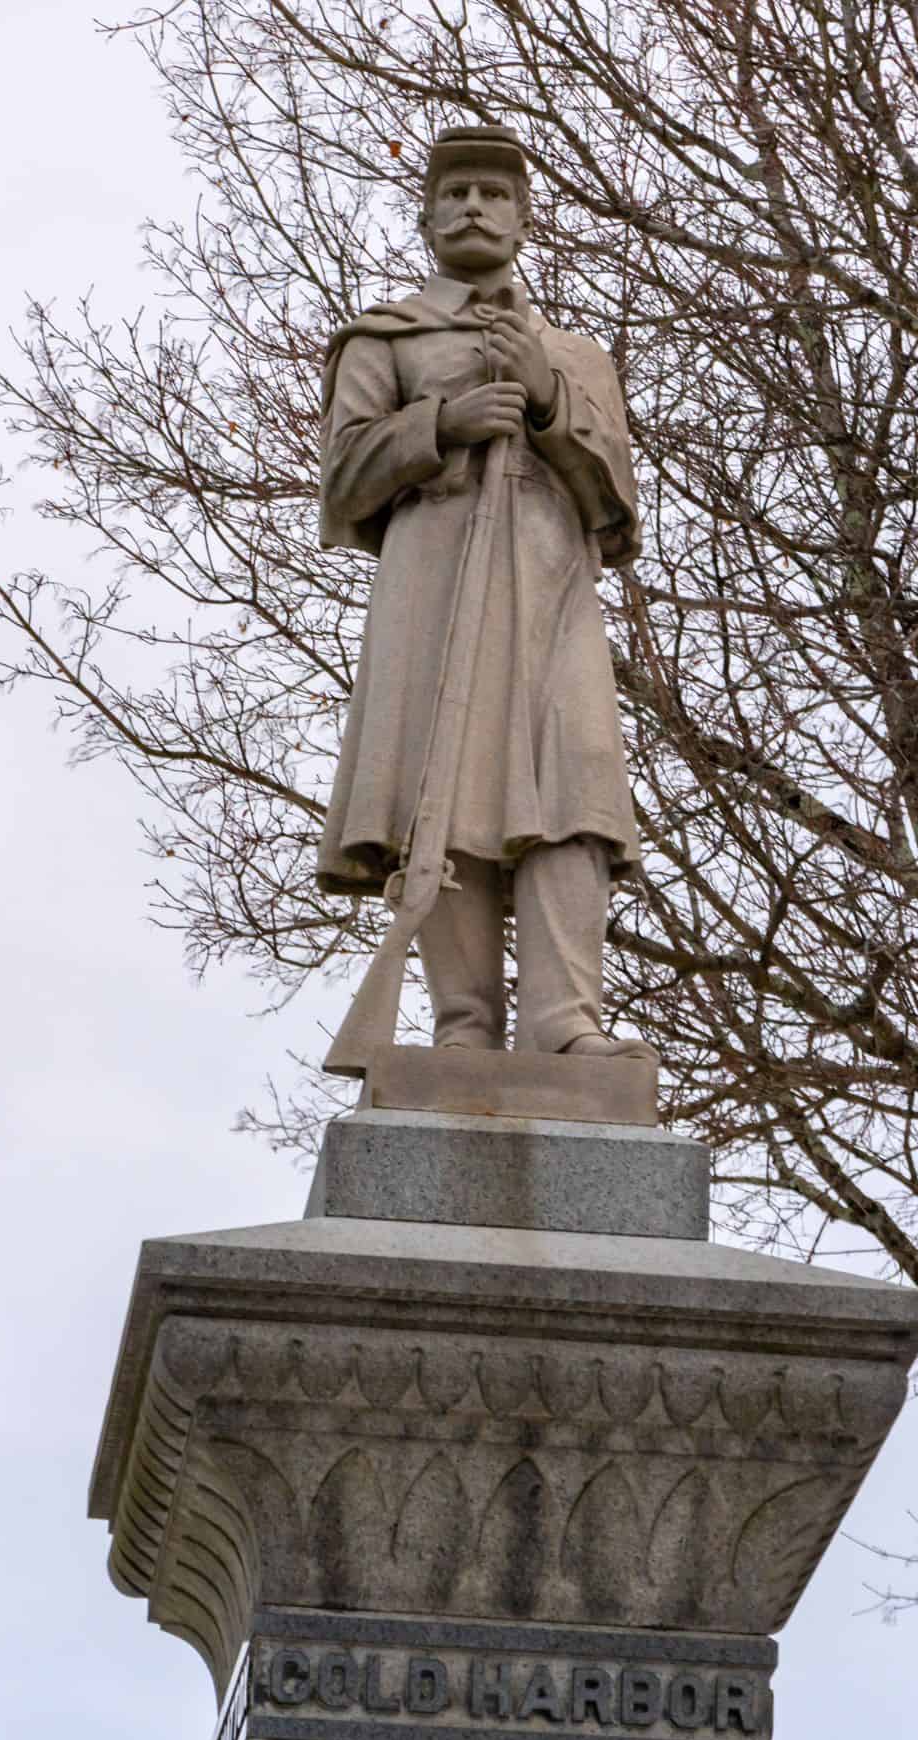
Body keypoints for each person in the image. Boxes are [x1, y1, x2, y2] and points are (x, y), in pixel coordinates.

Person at [317, 124, 653, 1062]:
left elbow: (617, 507)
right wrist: (440, 423)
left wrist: (548, 402)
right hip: (433, 584)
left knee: (575, 789)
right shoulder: (386, 338)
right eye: (457, 190)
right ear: (427, 215)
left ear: (522, 216)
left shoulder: (576, 354)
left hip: (550, 587)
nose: (474, 205)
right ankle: (463, 1026)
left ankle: (563, 1025)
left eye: (494, 193)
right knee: (443, 791)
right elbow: (343, 481)